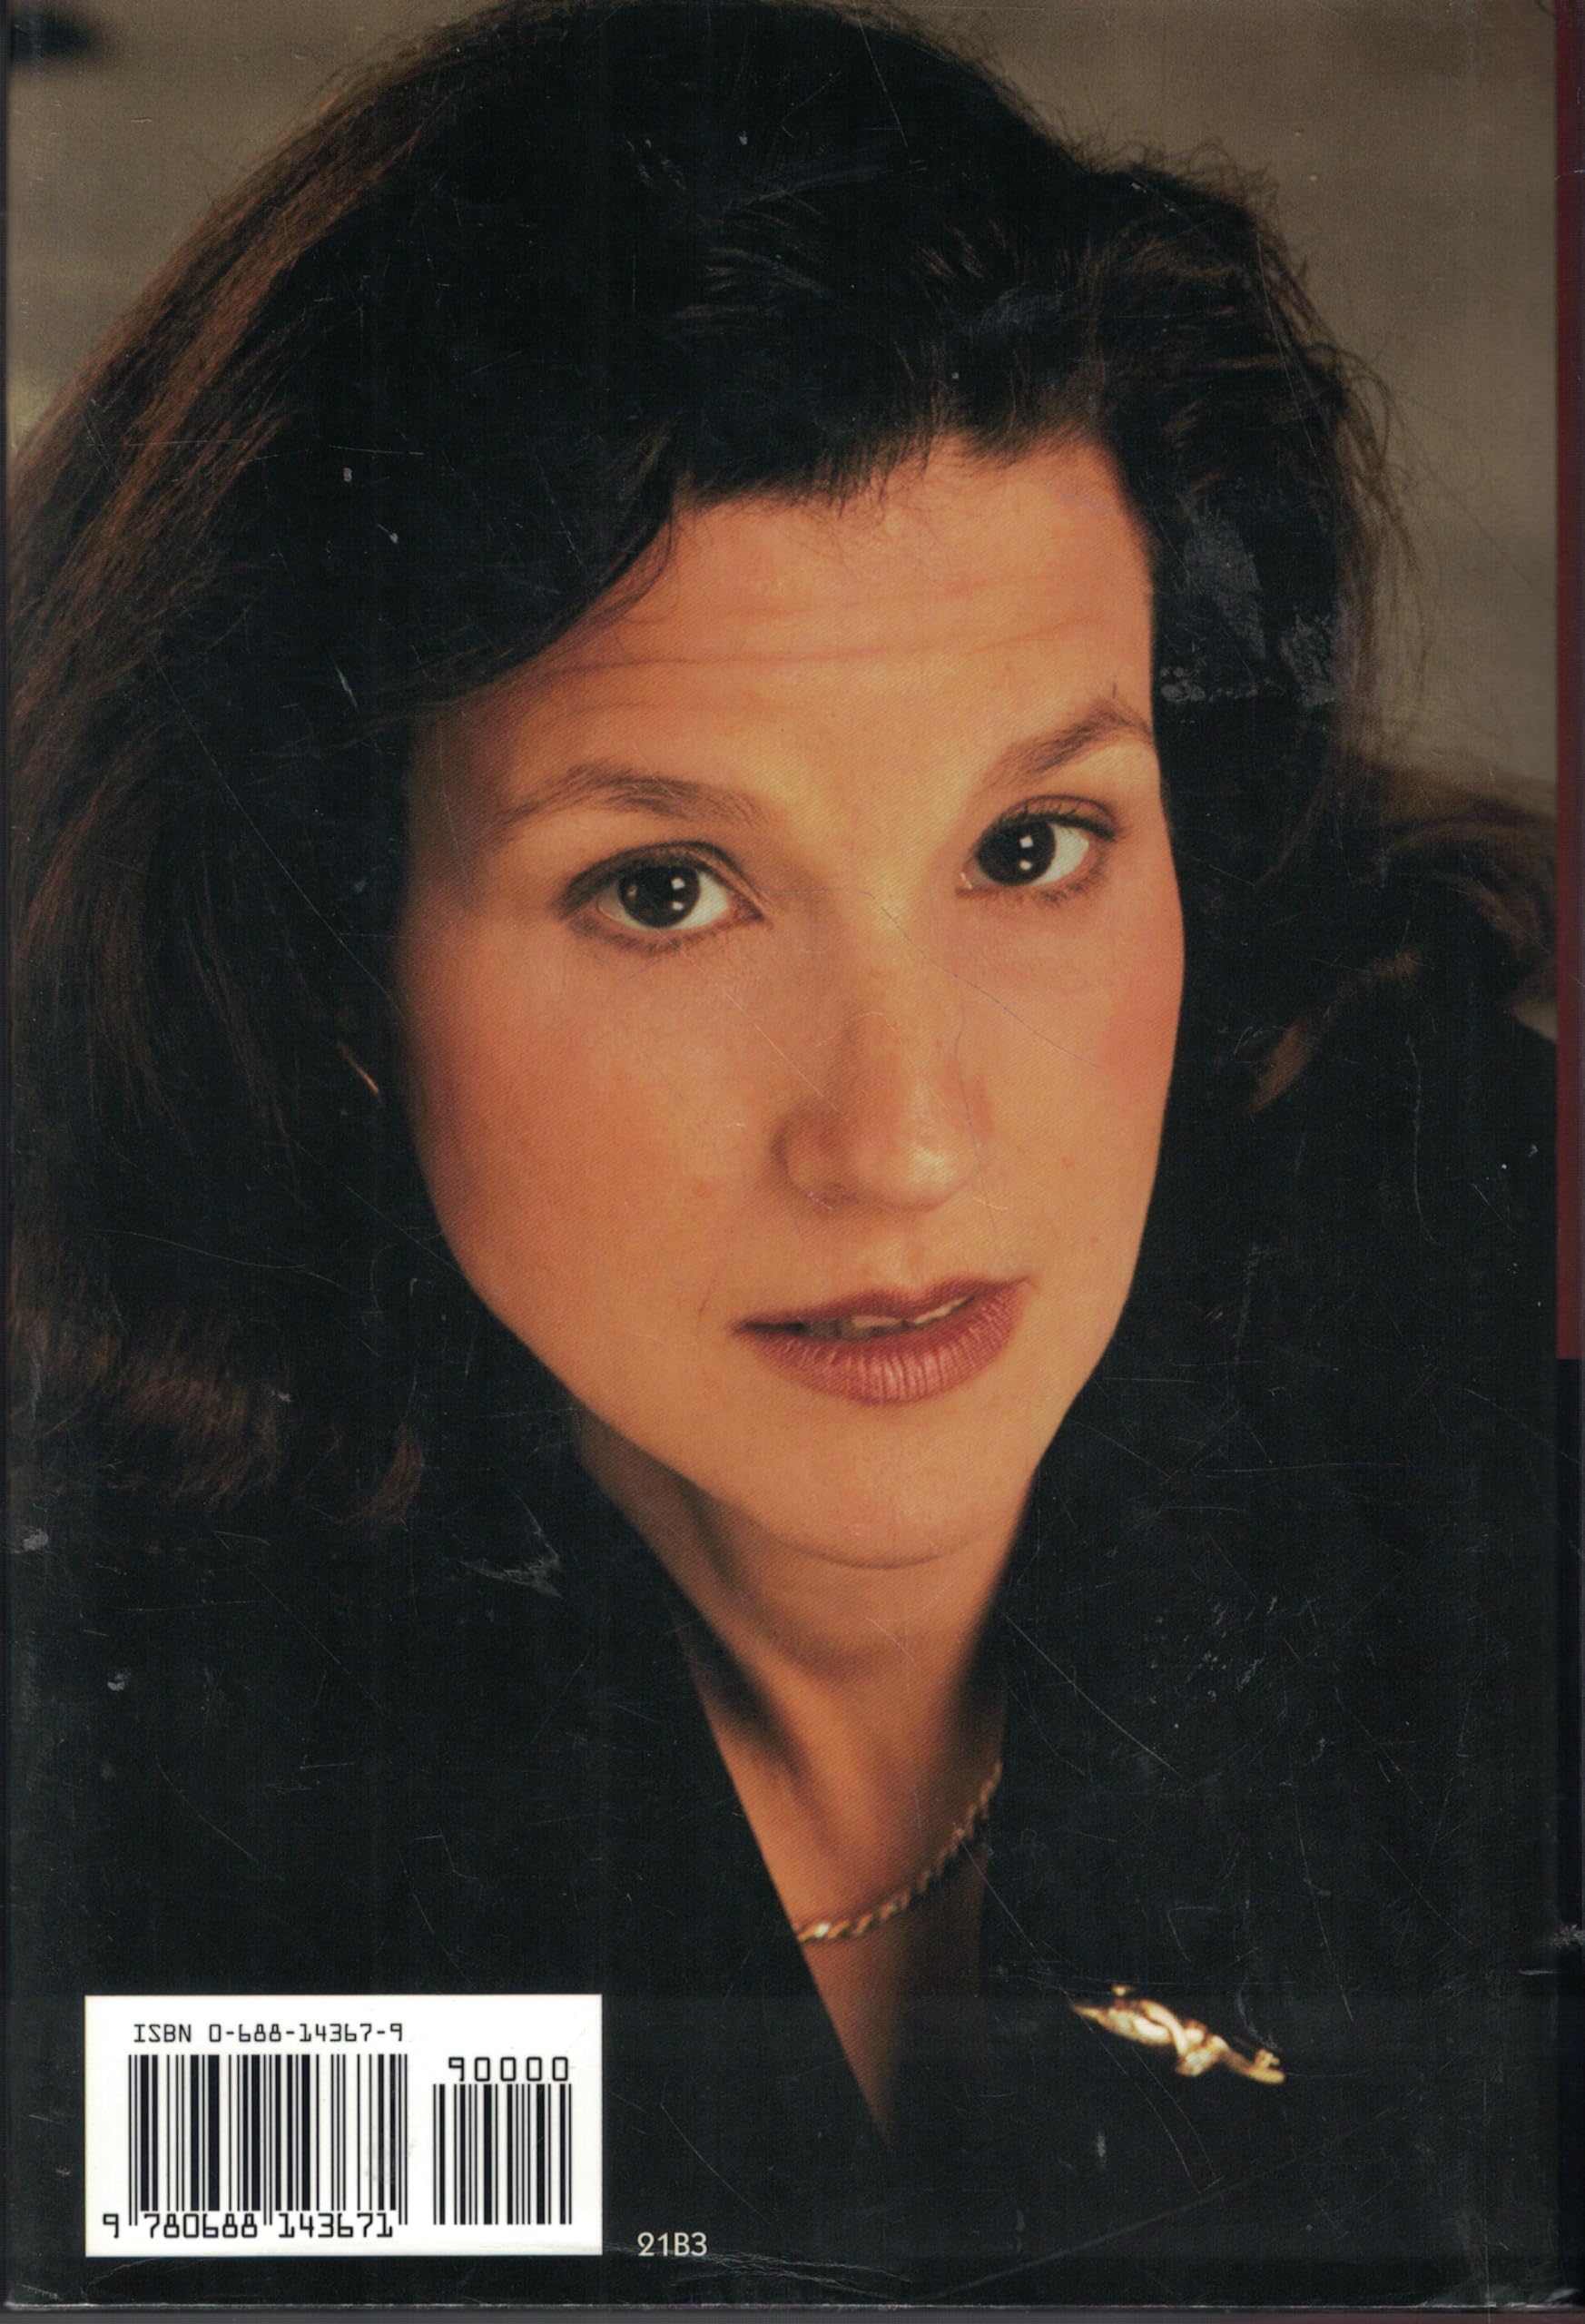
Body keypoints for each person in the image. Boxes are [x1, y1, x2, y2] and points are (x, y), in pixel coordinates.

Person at [8, 0, 1563, 2304]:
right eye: (665, 888)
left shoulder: (1495, 1471)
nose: (904, 1140)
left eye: (1032, 844)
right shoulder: (97, 1784)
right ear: (317, 944)